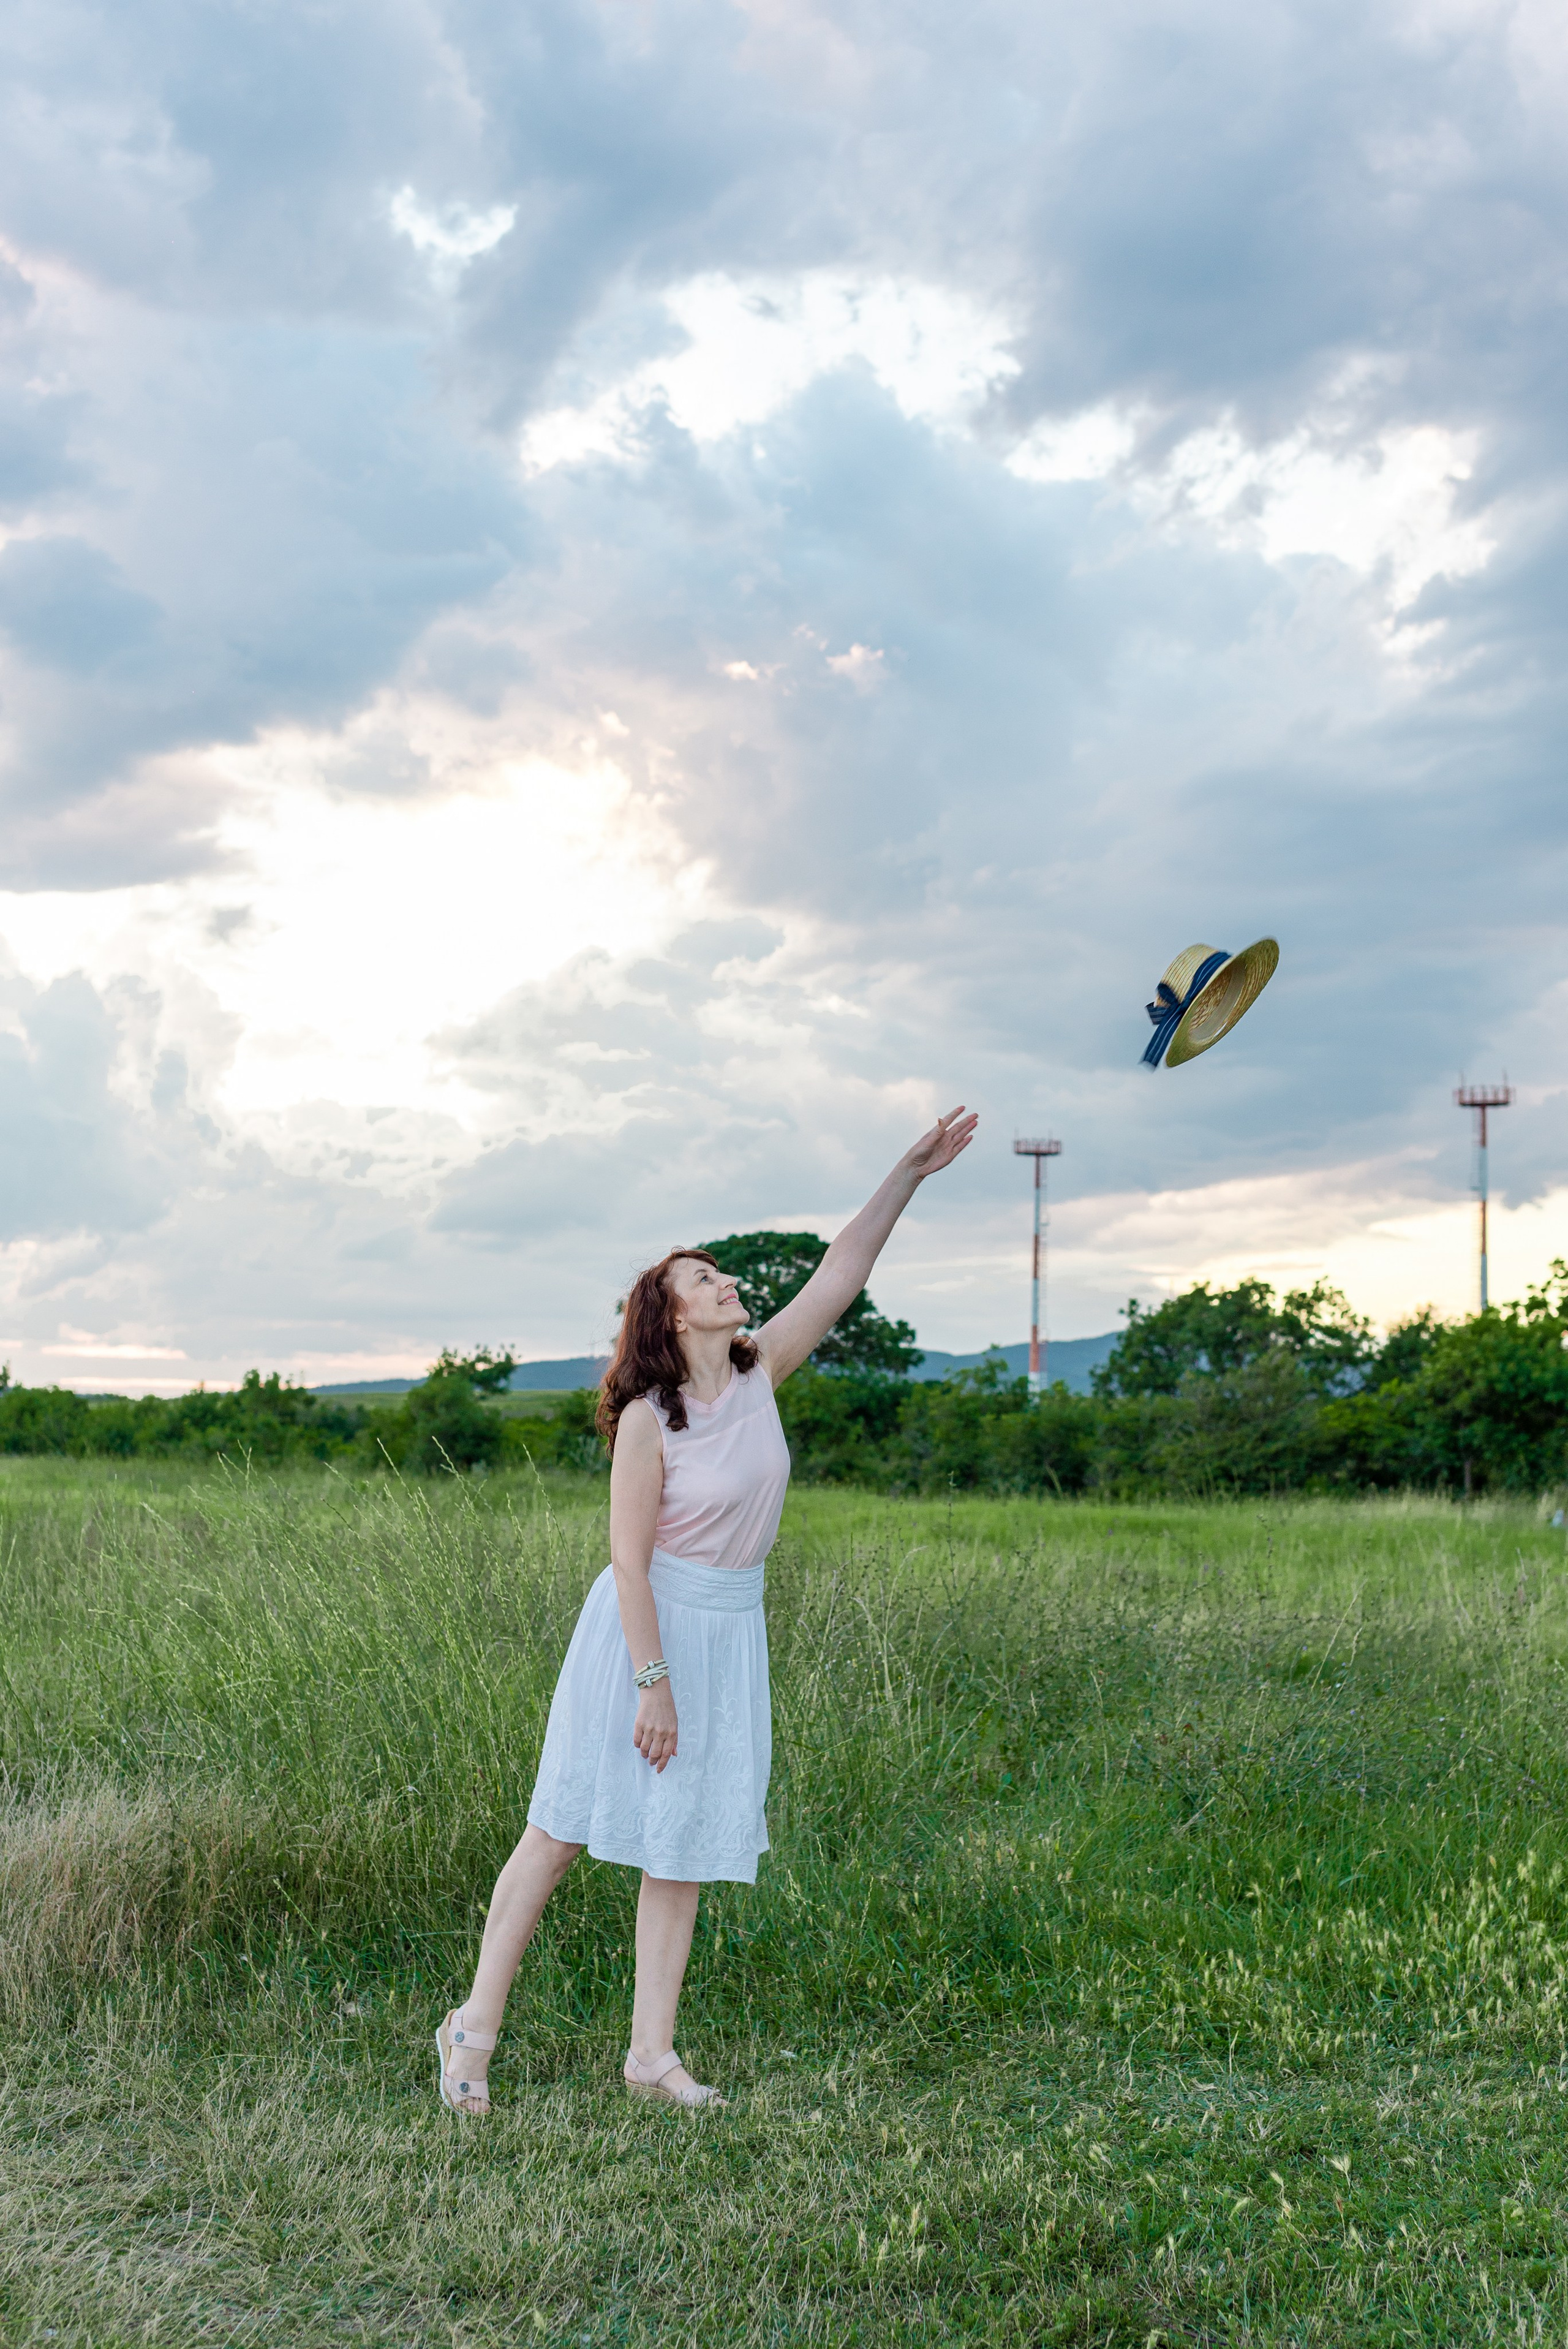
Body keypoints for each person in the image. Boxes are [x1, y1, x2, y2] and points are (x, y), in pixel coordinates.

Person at [435, 1105, 977, 2113]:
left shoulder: (760, 1370)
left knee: (680, 1842)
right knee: (558, 1832)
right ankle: (470, 2029)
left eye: (722, 1271)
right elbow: (628, 1563)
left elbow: (842, 1271)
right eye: (704, 1276)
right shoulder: (649, 1420)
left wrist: (907, 1170)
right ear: (673, 1315)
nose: (728, 1280)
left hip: (730, 1625)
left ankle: (651, 2056)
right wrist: (654, 1683)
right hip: (644, 1631)